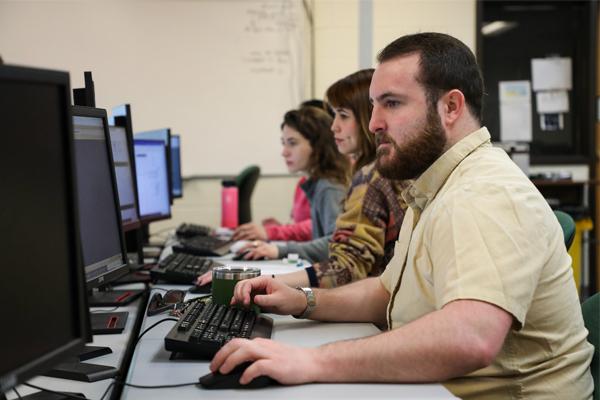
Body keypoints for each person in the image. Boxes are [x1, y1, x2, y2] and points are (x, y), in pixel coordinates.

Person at [207, 32, 594, 399]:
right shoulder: (433, 186)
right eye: (374, 105)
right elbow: (386, 291)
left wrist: (312, 359)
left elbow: (469, 338)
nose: (373, 122)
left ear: (451, 107)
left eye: (391, 103)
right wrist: (303, 300)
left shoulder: (483, 193)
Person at [271, 68, 408, 288]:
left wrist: (270, 282)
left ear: (368, 118)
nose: (334, 126)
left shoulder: (372, 177)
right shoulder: (395, 171)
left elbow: (346, 266)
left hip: (376, 313)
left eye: (343, 115)